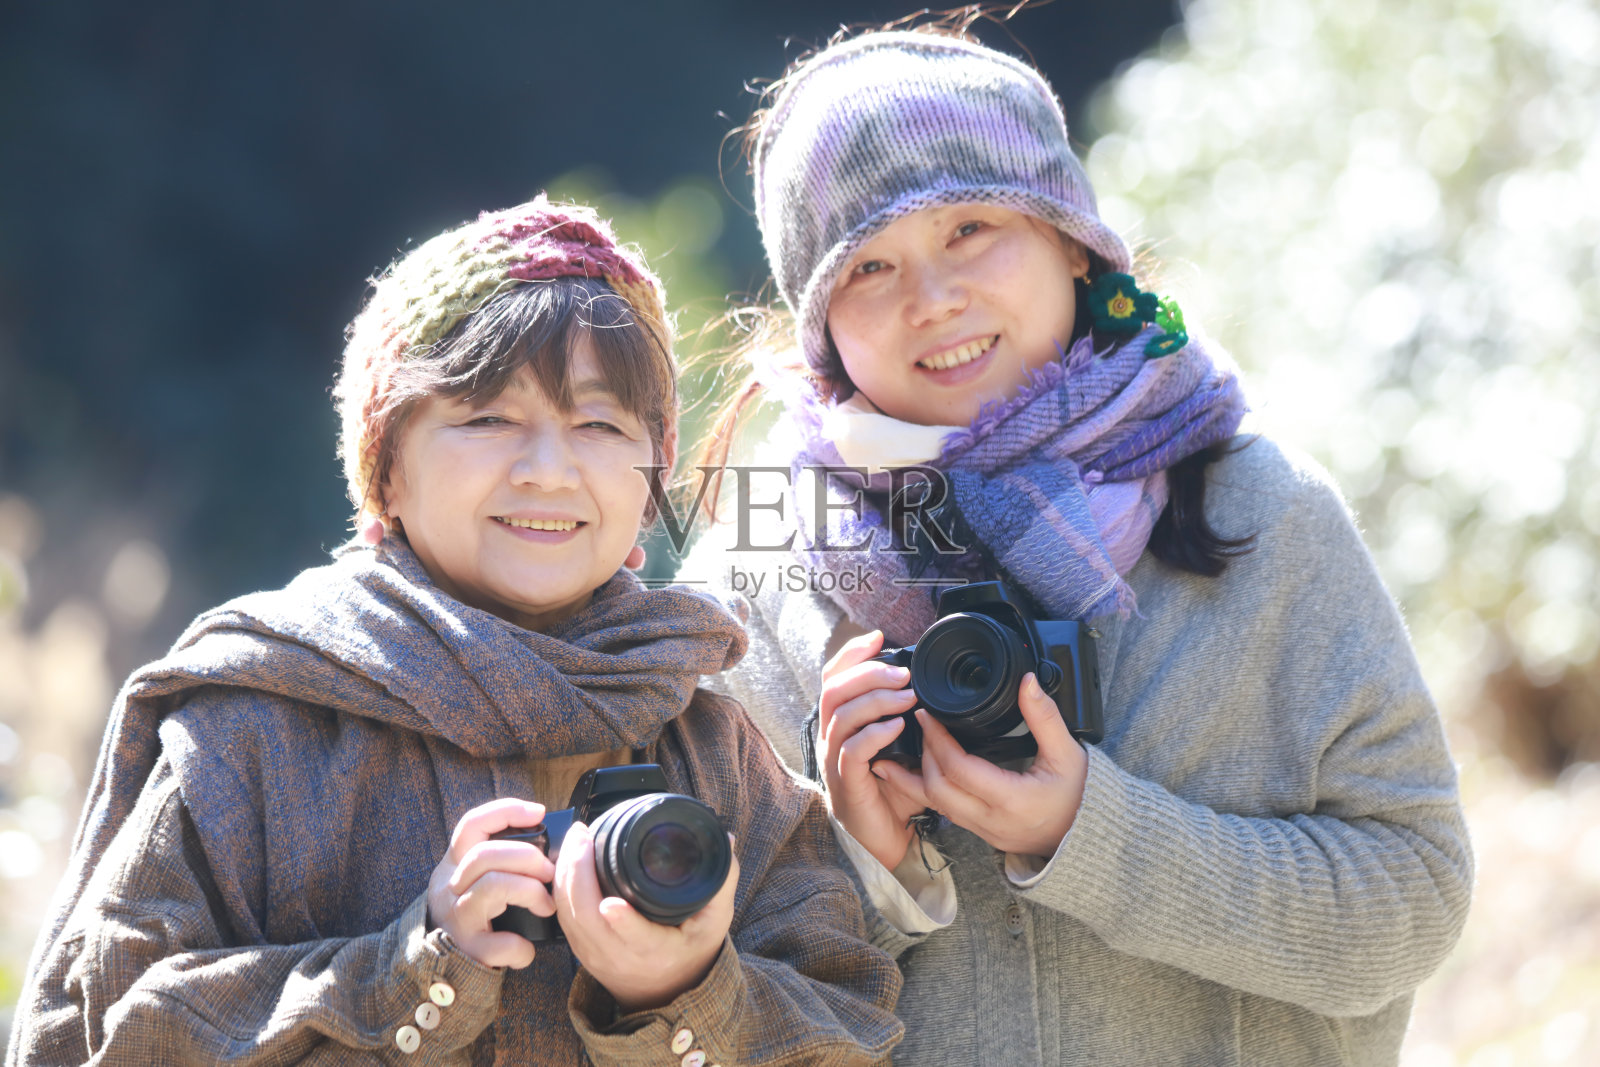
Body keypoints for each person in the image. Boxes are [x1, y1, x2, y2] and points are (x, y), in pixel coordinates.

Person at [681, 23, 1472, 1066]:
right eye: (867, 264)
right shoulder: (749, 592)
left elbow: (1411, 901)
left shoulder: (1257, 509)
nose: (933, 298)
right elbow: (685, 1001)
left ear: (1071, 238)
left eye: (971, 228)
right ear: (821, 325)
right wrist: (865, 869)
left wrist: (1091, 836)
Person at [6, 197, 904, 1066]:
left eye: (598, 424)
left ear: (652, 479)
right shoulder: (251, 731)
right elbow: (100, 1037)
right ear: (385, 468)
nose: (548, 471)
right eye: (488, 419)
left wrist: (686, 991)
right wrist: (411, 968)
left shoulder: (713, 744)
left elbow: (857, 1029)